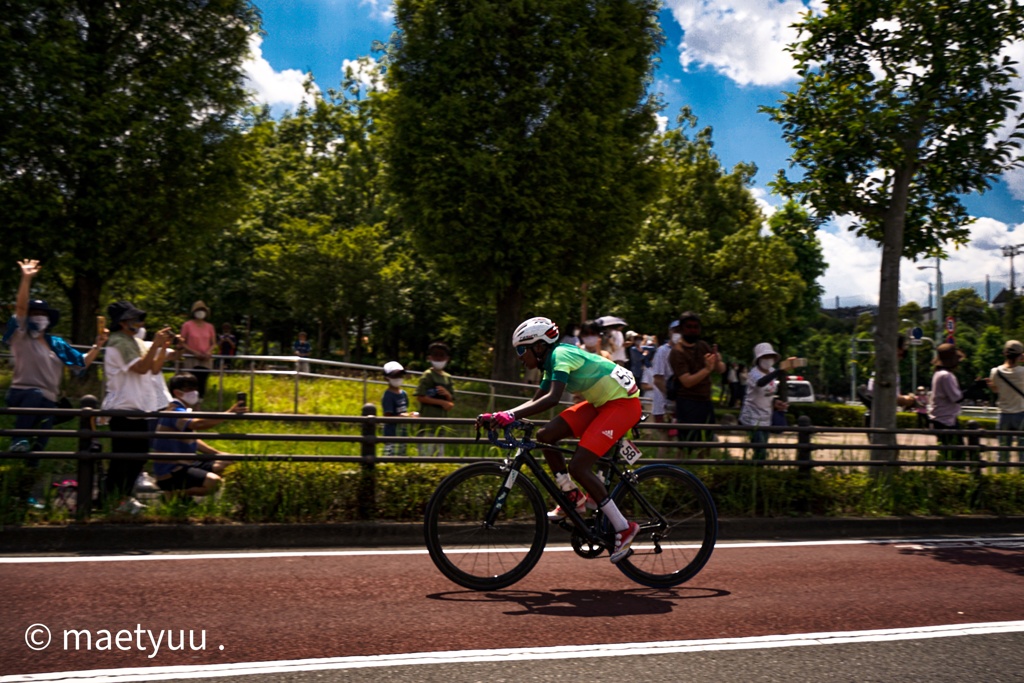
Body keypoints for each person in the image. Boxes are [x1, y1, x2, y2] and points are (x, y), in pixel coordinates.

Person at [478, 317, 642, 564]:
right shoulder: (549, 363)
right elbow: (537, 400)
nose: (520, 357)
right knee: (546, 435)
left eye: (522, 350)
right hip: (602, 403)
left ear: (539, 346)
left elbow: (553, 398)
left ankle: (623, 526)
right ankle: (572, 497)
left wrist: (510, 415)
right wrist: (502, 416)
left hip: (622, 405)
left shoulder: (561, 354)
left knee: (579, 466)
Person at [4, 259, 108, 455]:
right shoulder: (21, 336)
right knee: (34, 397)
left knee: (40, 445)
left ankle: (29, 475)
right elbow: (19, 309)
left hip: (49, 400)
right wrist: (26, 279)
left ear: (49, 319)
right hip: (23, 394)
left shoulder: (57, 343)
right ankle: (18, 439)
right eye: (33, 313)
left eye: (42, 314)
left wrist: (98, 345)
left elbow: (82, 362)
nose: (38, 317)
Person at [101, 301, 176, 513]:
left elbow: (154, 367)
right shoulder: (118, 342)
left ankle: (122, 498)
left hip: (139, 408)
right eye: (134, 319)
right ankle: (113, 500)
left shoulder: (135, 342)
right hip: (123, 407)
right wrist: (156, 345)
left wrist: (162, 347)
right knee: (122, 459)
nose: (138, 323)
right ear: (123, 323)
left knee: (138, 456)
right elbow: (142, 368)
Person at [150, 373, 246, 497]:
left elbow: (194, 439)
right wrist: (228, 414)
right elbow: (198, 425)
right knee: (214, 482)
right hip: (172, 469)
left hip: (187, 462)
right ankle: (173, 495)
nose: (194, 392)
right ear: (177, 393)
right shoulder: (174, 411)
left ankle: (181, 493)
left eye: (195, 388)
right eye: (189, 389)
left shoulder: (183, 410)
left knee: (226, 461)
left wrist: (217, 453)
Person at [669, 311, 726, 448]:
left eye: (696, 327)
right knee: (686, 445)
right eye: (689, 327)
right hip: (687, 402)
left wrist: (717, 361)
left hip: (705, 401)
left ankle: (703, 467)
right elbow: (687, 381)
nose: (693, 330)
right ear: (682, 329)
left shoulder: (703, 346)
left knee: (706, 443)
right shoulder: (677, 352)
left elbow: (721, 369)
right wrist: (707, 369)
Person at [738, 343, 799, 460]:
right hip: (752, 417)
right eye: (765, 357)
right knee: (760, 450)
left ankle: (758, 472)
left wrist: (776, 402)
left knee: (763, 448)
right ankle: (757, 472)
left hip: (766, 416)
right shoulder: (753, 373)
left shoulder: (772, 371)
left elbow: (768, 393)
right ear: (758, 359)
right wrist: (779, 371)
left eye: (770, 356)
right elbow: (760, 383)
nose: (768, 360)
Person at [987, 340, 1024, 468]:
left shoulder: (995, 372)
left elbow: (996, 389)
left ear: (1004, 353)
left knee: (1002, 454)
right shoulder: (1023, 372)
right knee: (1022, 453)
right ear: (1021, 355)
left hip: (1003, 415)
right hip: (1021, 414)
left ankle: (1001, 480)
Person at [416, 341, 455, 455]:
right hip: (427, 426)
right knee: (425, 457)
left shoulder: (448, 378)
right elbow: (420, 397)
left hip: (441, 426)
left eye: (441, 355)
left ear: (447, 358)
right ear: (430, 357)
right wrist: (441, 402)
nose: (438, 358)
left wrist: (447, 395)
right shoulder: (427, 375)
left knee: (439, 457)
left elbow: (450, 402)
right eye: (435, 355)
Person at [928, 343, 965, 464]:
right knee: (958, 454)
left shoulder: (938, 373)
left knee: (944, 452)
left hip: (940, 418)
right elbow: (957, 398)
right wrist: (973, 390)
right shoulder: (946, 376)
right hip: (946, 420)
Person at [180, 301, 217, 398]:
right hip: (191, 359)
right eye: (198, 310)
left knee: (202, 382)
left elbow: (214, 343)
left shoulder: (210, 327)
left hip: (205, 360)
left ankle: (199, 405)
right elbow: (182, 342)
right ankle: (189, 403)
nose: (201, 312)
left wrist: (208, 352)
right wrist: (194, 353)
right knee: (190, 383)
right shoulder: (187, 325)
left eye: (202, 310)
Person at [381, 361, 416, 456]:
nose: (398, 378)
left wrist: (410, 415)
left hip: (402, 432)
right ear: (386, 378)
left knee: (402, 455)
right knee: (390, 457)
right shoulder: (388, 395)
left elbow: (405, 410)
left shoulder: (403, 394)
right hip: (391, 433)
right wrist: (402, 416)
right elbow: (388, 415)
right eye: (395, 376)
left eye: (400, 375)